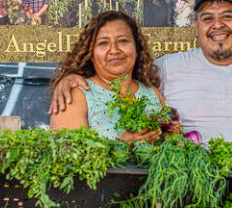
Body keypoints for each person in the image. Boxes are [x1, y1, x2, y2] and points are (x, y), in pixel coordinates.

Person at [50, 0, 232, 145]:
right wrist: (69, 79)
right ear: (196, 26)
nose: (217, 25)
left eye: (227, 16)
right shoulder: (168, 68)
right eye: (207, 18)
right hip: (181, 196)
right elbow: (112, 74)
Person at [49, 10, 166, 143]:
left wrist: (175, 137)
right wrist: (121, 144)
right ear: (90, 54)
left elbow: (171, 140)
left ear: (137, 49)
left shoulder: (153, 94)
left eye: (123, 41)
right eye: (103, 43)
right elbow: (66, 155)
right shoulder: (75, 95)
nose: (114, 50)